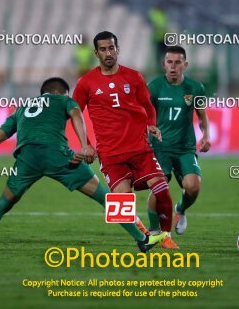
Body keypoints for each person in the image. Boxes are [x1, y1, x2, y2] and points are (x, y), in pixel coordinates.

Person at [0, 77, 167, 252]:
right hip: (59, 155)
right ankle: (142, 240)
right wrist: (84, 145)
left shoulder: (21, 109)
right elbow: (77, 114)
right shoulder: (63, 100)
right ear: (60, 92)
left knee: (4, 202)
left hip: (27, 158)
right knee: (106, 197)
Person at [73, 31, 179, 249]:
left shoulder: (134, 76)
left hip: (140, 148)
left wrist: (151, 123)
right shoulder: (86, 83)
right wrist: (85, 144)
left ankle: (166, 236)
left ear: (118, 49)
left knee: (162, 190)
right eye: (103, 49)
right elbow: (75, 113)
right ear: (96, 53)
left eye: (111, 48)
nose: (108, 53)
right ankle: (144, 237)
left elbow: (148, 105)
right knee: (120, 205)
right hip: (111, 154)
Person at [147, 46, 211, 235]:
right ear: (163, 64)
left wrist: (206, 135)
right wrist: (149, 128)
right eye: (169, 62)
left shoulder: (195, 88)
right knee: (158, 188)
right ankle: (154, 229)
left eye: (177, 62)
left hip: (185, 148)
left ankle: (180, 209)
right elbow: (144, 115)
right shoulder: (154, 87)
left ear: (185, 64)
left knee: (193, 187)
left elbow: (201, 116)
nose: (173, 66)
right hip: (160, 148)